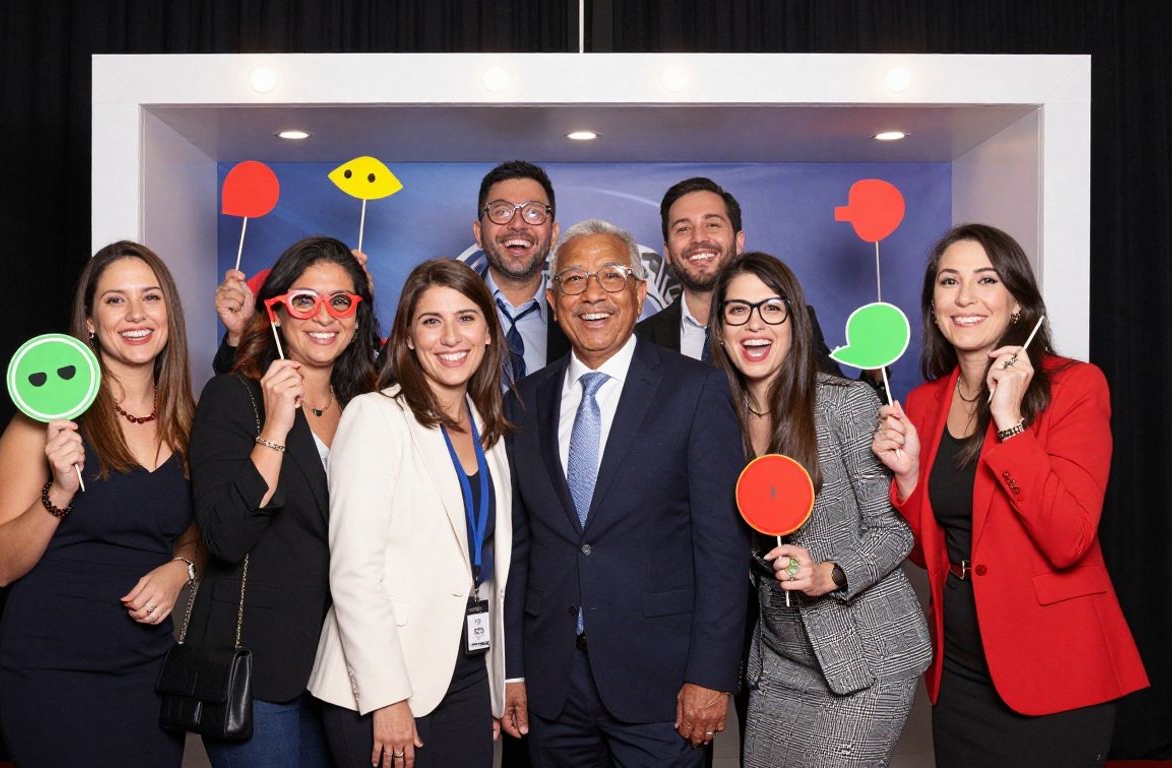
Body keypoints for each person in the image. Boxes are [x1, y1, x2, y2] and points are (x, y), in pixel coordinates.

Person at [871, 224, 1148, 766]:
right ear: (933, 306)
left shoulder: (1075, 387)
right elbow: (929, 553)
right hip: (961, 671)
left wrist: (1010, 423)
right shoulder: (924, 403)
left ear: (1018, 301)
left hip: (1055, 667)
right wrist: (907, 480)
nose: (965, 298)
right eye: (949, 281)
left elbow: (1069, 539)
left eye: (986, 280)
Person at [500, 219, 750, 766]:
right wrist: (512, 669)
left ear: (640, 294)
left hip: (663, 687)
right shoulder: (523, 400)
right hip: (551, 686)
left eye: (612, 276)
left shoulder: (696, 391)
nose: (593, 294)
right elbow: (518, 549)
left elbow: (722, 551)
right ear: (553, 300)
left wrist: (710, 675)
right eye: (574, 279)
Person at [0, 241, 201, 768]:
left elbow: (200, 532)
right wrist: (59, 490)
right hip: (52, 670)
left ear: (169, 313)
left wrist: (181, 570)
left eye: (150, 297)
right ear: (88, 322)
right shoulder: (45, 416)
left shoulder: (190, 421)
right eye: (115, 300)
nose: (136, 314)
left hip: (147, 674)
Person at [710, 252, 932, 767]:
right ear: (719, 329)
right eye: (738, 310)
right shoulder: (715, 419)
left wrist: (829, 573)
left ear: (796, 322)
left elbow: (894, 530)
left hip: (866, 655)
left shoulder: (843, 403)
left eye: (772, 308)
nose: (755, 324)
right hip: (778, 660)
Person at [308, 258, 514, 768]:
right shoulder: (377, 416)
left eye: (466, 318)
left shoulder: (488, 426)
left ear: (488, 332)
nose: (451, 337)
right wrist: (387, 697)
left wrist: (490, 686)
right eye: (431, 321)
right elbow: (354, 571)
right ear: (408, 338)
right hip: (383, 680)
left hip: (465, 670)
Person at [188, 236, 379, 767]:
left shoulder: (367, 406)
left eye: (340, 301)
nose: (324, 316)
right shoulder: (233, 396)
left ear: (358, 318)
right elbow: (225, 536)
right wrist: (275, 426)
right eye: (304, 300)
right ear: (275, 312)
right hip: (260, 667)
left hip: (344, 667)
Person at [636, 176, 840, 377]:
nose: (698, 238)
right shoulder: (641, 339)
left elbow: (837, 393)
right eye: (683, 229)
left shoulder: (790, 321)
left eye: (712, 225)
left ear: (738, 242)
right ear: (667, 252)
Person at [473, 160, 571, 382]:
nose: (518, 224)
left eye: (534, 213)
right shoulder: (447, 312)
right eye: (502, 211)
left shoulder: (578, 317)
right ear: (479, 233)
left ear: (553, 235)